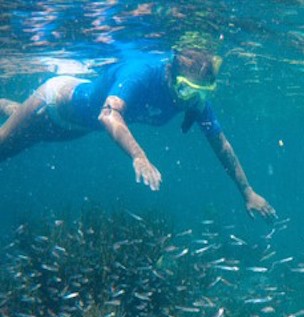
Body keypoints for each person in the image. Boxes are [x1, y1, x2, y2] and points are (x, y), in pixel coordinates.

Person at [0, 48, 276, 220]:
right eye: (186, 90)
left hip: (77, 126)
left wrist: (248, 192)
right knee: (6, 148)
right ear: (172, 76)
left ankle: (9, 107)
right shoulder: (143, 72)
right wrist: (139, 156)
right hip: (51, 104)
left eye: (201, 93)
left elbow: (221, 145)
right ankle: (21, 111)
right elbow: (108, 115)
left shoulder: (194, 101)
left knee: (27, 135)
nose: (190, 100)